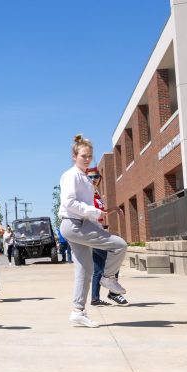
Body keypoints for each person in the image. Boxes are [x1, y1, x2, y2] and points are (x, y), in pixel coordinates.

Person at [59, 135, 128, 328]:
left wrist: (94, 217)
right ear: (74, 156)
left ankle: (78, 312)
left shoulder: (83, 177)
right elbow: (68, 202)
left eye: (90, 156)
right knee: (119, 245)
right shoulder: (72, 175)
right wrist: (95, 212)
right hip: (74, 224)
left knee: (85, 269)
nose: (87, 159)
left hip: (78, 224)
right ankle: (108, 278)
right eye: (83, 156)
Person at [87, 166, 130, 307]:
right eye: (90, 177)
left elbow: (100, 212)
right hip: (93, 232)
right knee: (114, 257)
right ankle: (113, 293)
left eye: (96, 176)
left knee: (100, 267)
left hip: (98, 230)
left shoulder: (96, 193)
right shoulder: (86, 193)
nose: (94, 179)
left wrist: (115, 209)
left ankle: (95, 298)